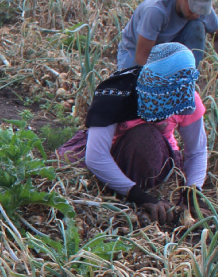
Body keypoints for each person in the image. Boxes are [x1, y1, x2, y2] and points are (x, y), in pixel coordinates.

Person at [67, 42, 208, 225]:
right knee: (144, 138)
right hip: (117, 156)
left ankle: (144, 187)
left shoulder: (187, 98)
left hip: (161, 161)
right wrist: (139, 196)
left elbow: (196, 151)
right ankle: (124, 188)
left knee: (149, 141)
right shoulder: (115, 93)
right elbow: (96, 157)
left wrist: (193, 194)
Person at [117, 0, 218, 70]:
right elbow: (141, 57)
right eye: (194, 9)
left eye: (202, 10)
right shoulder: (156, 11)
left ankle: (190, 73)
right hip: (136, 49)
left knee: (197, 26)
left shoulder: (200, 11)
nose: (197, 14)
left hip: (171, 48)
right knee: (131, 89)